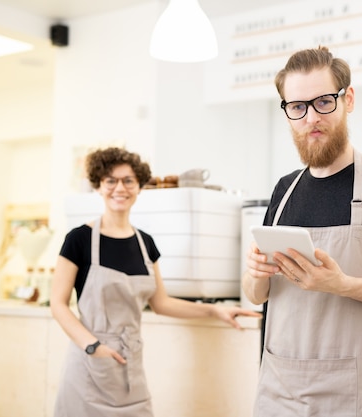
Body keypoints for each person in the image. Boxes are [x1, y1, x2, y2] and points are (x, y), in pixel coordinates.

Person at [242, 46, 362, 416]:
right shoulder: (284, 190)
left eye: (323, 102)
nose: (311, 117)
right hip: (279, 388)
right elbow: (257, 295)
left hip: (351, 393)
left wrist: (341, 284)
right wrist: (254, 275)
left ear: (347, 99)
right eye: (297, 107)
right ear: (287, 112)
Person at [50, 146, 261, 417]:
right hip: (90, 365)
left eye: (128, 180)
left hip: (131, 367)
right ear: (99, 186)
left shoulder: (145, 243)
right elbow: (58, 304)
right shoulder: (78, 239)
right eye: (110, 180)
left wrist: (214, 310)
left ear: (139, 186)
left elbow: (161, 303)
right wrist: (93, 346)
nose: (120, 188)